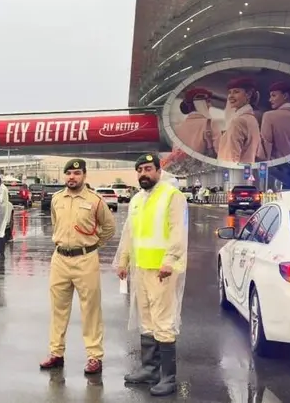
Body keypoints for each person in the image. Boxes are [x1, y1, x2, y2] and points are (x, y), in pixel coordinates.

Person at [114, 153, 188, 397]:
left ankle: (168, 377)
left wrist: (169, 260)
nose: (143, 173)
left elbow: (178, 231)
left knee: (163, 321)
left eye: (148, 168)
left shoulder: (172, 196)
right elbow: (129, 233)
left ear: (158, 170)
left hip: (163, 271)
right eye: (140, 170)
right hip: (141, 269)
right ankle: (149, 369)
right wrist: (122, 261)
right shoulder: (137, 199)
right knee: (146, 320)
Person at [39, 159, 117, 375]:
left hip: (85, 260)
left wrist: (94, 245)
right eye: (69, 173)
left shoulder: (95, 200)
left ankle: (94, 357)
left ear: (84, 175)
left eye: (76, 173)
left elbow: (109, 227)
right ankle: (56, 353)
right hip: (60, 259)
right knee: (58, 309)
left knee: (90, 310)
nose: (72, 177)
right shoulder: (56, 199)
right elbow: (56, 223)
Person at [256, 81, 290, 161]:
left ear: (285, 96)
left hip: (275, 167)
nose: (270, 99)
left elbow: (264, 148)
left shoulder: (269, 116)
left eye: (273, 96)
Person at [217, 77, 261, 164]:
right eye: (229, 93)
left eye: (236, 92)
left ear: (248, 94)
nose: (230, 96)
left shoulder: (238, 122)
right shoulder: (252, 119)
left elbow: (231, 158)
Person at [174, 87, 222, 158]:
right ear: (200, 103)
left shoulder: (179, 127)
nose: (210, 105)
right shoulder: (210, 124)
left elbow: (175, 154)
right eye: (208, 101)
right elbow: (220, 152)